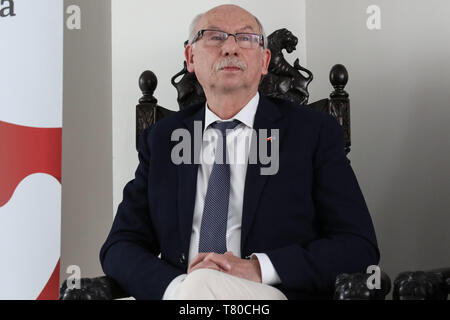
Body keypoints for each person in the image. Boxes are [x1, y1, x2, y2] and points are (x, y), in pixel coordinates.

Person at [100, 4, 379, 300]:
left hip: (270, 293)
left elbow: (357, 245)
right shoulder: (163, 139)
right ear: (191, 57)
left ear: (264, 60)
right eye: (215, 37)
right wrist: (177, 287)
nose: (231, 48)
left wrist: (260, 268)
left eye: (246, 39)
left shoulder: (313, 133)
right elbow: (120, 245)